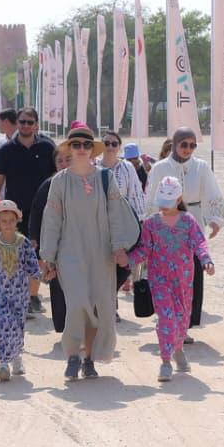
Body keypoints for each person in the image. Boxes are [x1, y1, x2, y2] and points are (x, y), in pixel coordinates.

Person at [39, 126, 140, 380]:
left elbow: (115, 214)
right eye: (76, 145)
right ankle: (73, 355)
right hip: (69, 253)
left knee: (96, 307)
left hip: (102, 253)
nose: (82, 149)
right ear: (69, 149)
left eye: (86, 145)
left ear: (92, 149)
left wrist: (119, 247)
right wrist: (48, 256)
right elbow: (51, 220)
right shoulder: (59, 182)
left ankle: (89, 359)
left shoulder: (106, 178)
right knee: (76, 304)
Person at [129, 177, 215, 382]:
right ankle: (166, 361)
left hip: (183, 280)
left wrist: (206, 260)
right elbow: (144, 249)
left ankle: (178, 349)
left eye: (168, 203)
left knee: (182, 318)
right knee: (166, 318)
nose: (164, 207)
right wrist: (128, 259)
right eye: (161, 202)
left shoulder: (188, 221)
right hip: (159, 279)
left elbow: (199, 243)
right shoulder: (151, 224)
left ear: (178, 199)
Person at [145, 127, 224, 334]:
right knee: (166, 274)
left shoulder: (201, 167)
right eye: (184, 144)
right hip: (165, 227)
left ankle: (185, 326)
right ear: (174, 144)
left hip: (193, 223)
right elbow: (151, 198)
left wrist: (215, 220)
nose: (188, 149)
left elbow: (212, 192)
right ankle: (168, 320)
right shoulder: (160, 168)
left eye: (192, 145)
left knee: (192, 276)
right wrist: (150, 227)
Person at [0, 107, 56, 316]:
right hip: (13, 212)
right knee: (15, 255)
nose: (25, 125)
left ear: (36, 125)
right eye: (22, 121)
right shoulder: (6, 150)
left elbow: (57, 178)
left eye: (30, 122)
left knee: (37, 255)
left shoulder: (47, 147)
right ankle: (22, 296)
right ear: (17, 123)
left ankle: (32, 296)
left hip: (43, 211)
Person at [0, 200, 39, 382]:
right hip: (0, 294)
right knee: (4, 325)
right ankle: (3, 363)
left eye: (11, 220)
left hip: (20, 294)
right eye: (3, 221)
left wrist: (41, 278)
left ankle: (17, 357)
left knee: (18, 327)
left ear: (17, 220)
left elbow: (33, 268)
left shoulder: (24, 243)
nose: (7, 224)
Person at [28, 146, 72, 332]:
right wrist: (34, 238)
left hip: (78, 243)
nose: (64, 164)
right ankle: (62, 325)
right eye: (59, 161)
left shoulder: (86, 183)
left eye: (68, 159)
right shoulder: (49, 184)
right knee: (57, 283)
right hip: (56, 244)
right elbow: (36, 212)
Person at [99, 131, 147, 220]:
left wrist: (139, 218)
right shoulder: (94, 167)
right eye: (106, 143)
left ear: (119, 147)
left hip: (122, 219)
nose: (110, 147)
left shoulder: (127, 167)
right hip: (98, 220)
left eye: (114, 144)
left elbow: (135, 193)